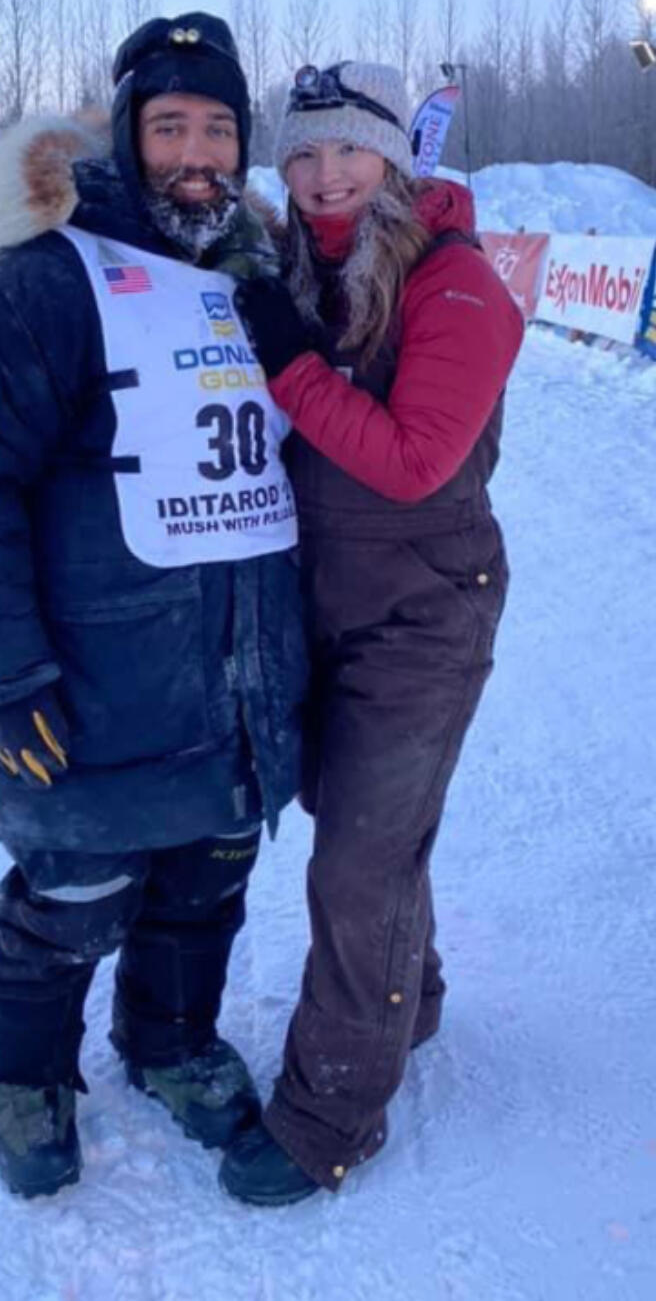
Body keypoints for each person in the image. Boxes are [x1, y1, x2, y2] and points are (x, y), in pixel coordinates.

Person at [0, 13, 308, 1199]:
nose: (196, 154)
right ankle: (22, 1075)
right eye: (169, 126)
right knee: (71, 897)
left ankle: (168, 1041)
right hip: (90, 686)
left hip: (235, 679)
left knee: (206, 881)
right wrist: (2, 677)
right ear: (126, 141)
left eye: (218, 130)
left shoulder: (261, 280)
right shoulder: (45, 281)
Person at [218, 61, 524, 1206]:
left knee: (355, 865)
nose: (324, 173)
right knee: (364, 838)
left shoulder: (456, 289)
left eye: (347, 149)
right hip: (320, 598)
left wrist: (289, 361)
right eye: (301, 154)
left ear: (396, 156)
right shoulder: (300, 263)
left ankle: (329, 1113)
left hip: (425, 609)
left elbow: (410, 460)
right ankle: (414, 994)